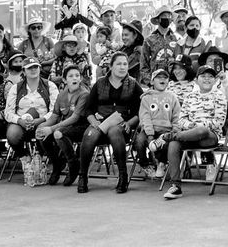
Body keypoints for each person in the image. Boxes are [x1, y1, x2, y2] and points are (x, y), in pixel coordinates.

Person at [77, 52, 142, 194]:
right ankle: (83, 176)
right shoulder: (100, 83)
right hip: (100, 122)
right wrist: (93, 120)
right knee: (90, 134)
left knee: (114, 130)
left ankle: (123, 176)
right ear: (111, 66)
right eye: (119, 64)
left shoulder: (133, 84)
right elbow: (88, 109)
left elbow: (140, 111)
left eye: (125, 64)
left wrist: (129, 123)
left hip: (121, 126)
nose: (122, 67)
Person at [162, 63, 227, 200]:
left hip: (209, 137)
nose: (207, 79)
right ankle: (176, 186)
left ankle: (168, 137)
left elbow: (219, 122)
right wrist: (189, 125)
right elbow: (181, 120)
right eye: (203, 76)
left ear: (215, 80)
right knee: (174, 144)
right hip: (189, 135)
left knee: (201, 130)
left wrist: (197, 126)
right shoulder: (190, 96)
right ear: (197, 80)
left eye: (210, 76)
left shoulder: (219, 96)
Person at [37, 63, 90, 186]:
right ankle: (57, 164)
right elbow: (55, 115)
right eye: (71, 76)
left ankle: (73, 164)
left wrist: (51, 128)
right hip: (64, 126)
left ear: (81, 78)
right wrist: (42, 127)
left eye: (77, 75)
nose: (75, 78)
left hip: (82, 126)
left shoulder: (84, 94)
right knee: (42, 136)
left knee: (58, 133)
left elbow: (75, 117)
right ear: (65, 80)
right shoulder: (62, 94)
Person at [4, 56, 58, 157]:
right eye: (29, 68)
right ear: (23, 71)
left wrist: (41, 120)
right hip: (20, 122)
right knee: (12, 135)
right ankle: (23, 156)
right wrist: (20, 121)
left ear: (39, 69)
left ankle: (45, 157)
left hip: (44, 121)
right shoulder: (15, 88)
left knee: (43, 130)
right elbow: (8, 113)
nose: (33, 70)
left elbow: (55, 110)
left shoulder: (50, 86)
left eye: (35, 67)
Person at [135, 67, 181, 180]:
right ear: (152, 81)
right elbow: (144, 116)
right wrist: (150, 133)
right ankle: (145, 164)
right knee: (139, 142)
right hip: (149, 128)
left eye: (165, 77)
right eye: (159, 77)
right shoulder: (146, 98)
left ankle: (162, 163)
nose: (162, 79)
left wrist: (175, 129)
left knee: (165, 143)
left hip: (166, 129)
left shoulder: (172, 97)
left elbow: (177, 115)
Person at [141, 6, 179, 88]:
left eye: (169, 16)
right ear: (158, 19)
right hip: (155, 83)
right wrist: (150, 82)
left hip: (173, 82)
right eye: (164, 16)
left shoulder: (176, 39)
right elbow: (143, 64)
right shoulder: (149, 40)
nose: (167, 18)